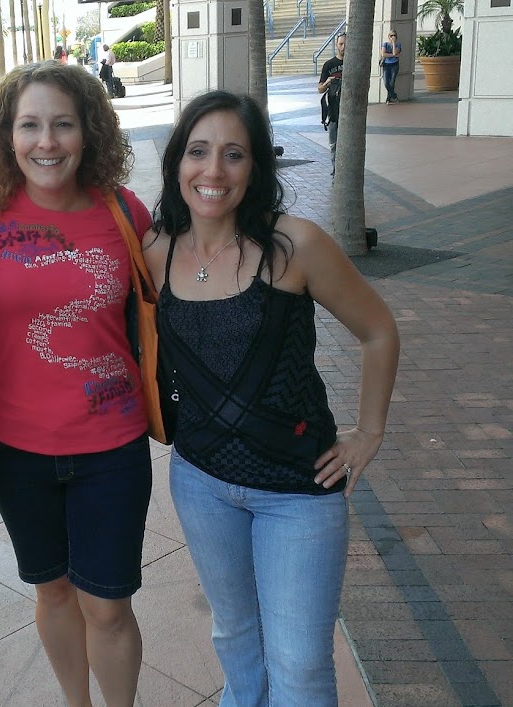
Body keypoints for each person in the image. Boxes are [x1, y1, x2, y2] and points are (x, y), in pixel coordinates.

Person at [142, 90, 400, 706]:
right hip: (201, 483)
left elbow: (378, 330)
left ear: (256, 165)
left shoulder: (294, 245)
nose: (213, 170)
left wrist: (369, 432)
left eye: (234, 154)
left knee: (301, 666)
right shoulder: (155, 251)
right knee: (236, 638)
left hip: (296, 492)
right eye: (198, 151)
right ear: (177, 162)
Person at [0, 61, 153, 707]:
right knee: (54, 590)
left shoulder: (124, 212)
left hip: (113, 445)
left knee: (109, 604)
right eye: (30, 125)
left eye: (63, 124)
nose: (47, 142)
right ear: (6, 136)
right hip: (16, 448)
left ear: (88, 131)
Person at [318, 32, 345, 175]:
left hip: (348, 112)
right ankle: (336, 171)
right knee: (334, 144)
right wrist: (328, 82)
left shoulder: (353, 64)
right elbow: (320, 89)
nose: (343, 47)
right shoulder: (329, 65)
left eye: (346, 44)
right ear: (336, 45)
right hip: (334, 111)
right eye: (341, 44)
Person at [381, 29, 401, 103]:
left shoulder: (398, 44)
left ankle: (388, 98)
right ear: (388, 36)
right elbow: (383, 54)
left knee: (392, 82)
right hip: (386, 65)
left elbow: (395, 52)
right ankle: (394, 96)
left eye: (394, 35)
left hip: (394, 65)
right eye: (391, 35)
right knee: (386, 83)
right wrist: (393, 55)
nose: (393, 37)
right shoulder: (385, 44)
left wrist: (393, 43)